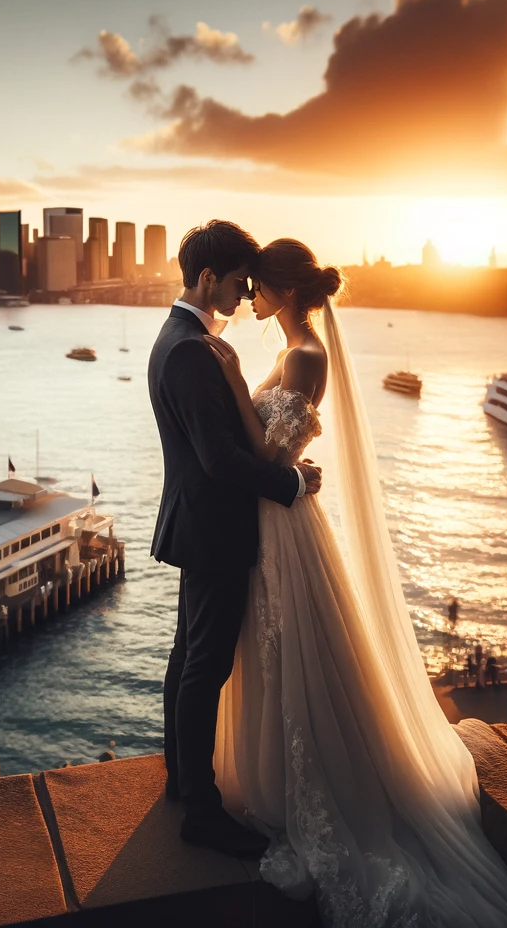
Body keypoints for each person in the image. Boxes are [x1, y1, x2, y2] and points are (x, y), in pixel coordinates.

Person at [206, 238, 507, 927]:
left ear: (288, 291)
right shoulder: (292, 351)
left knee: (292, 653)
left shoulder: (303, 357)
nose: (250, 297)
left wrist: (234, 386)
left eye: (260, 286)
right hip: (280, 517)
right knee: (279, 654)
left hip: (284, 526)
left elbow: (270, 454)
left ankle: (308, 791)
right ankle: (273, 776)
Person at [148, 221, 322, 861]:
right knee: (204, 666)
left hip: (195, 521)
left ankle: (180, 781)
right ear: (206, 280)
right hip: (215, 525)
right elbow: (221, 461)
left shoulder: (179, 338)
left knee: (186, 656)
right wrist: (291, 484)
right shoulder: (192, 350)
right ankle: (199, 808)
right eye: (237, 281)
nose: (245, 291)